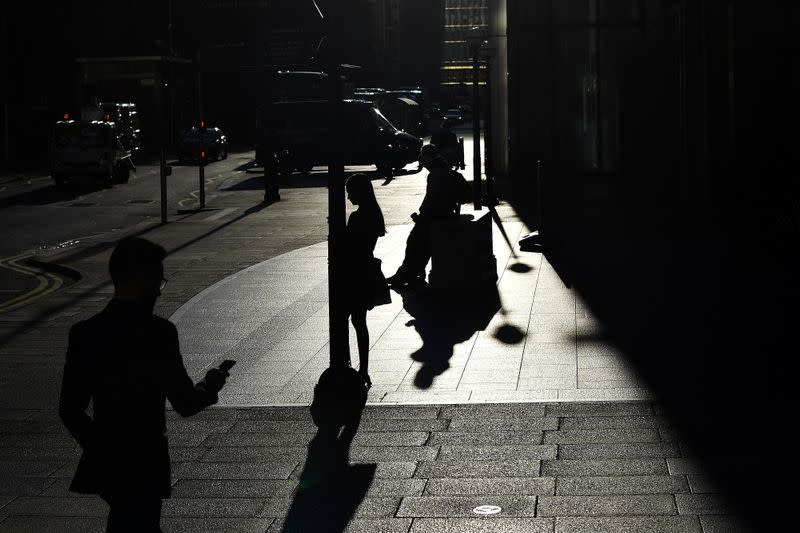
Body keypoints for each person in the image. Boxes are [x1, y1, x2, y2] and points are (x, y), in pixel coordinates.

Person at [59, 237, 229, 533]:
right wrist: (211, 386)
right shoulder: (158, 333)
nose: (158, 293)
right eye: (157, 283)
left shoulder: (85, 333)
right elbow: (185, 403)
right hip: (147, 462)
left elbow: (69, 410)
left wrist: (102, 449)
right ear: (142, 280)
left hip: (108, 466)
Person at [386, 144, 465, 287]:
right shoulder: (443, 168)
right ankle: (411, 271)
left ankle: (406, 273)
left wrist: (421, 216)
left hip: (436, 215)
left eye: (423, 159)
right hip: (445, 212)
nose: (422, 162)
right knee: (421, 242)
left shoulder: (436, 173)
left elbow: (432, 198)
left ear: (428, 157)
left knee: (414, 241)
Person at [343, 173, 388, 390]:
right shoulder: (374, 214)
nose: (348, 197)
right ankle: (364, 369)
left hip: (353, 273)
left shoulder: (356, 217)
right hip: (367, 272)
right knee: (360, 322)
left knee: (344, 319)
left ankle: (346, 365)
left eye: (350, 192)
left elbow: (348, 246)